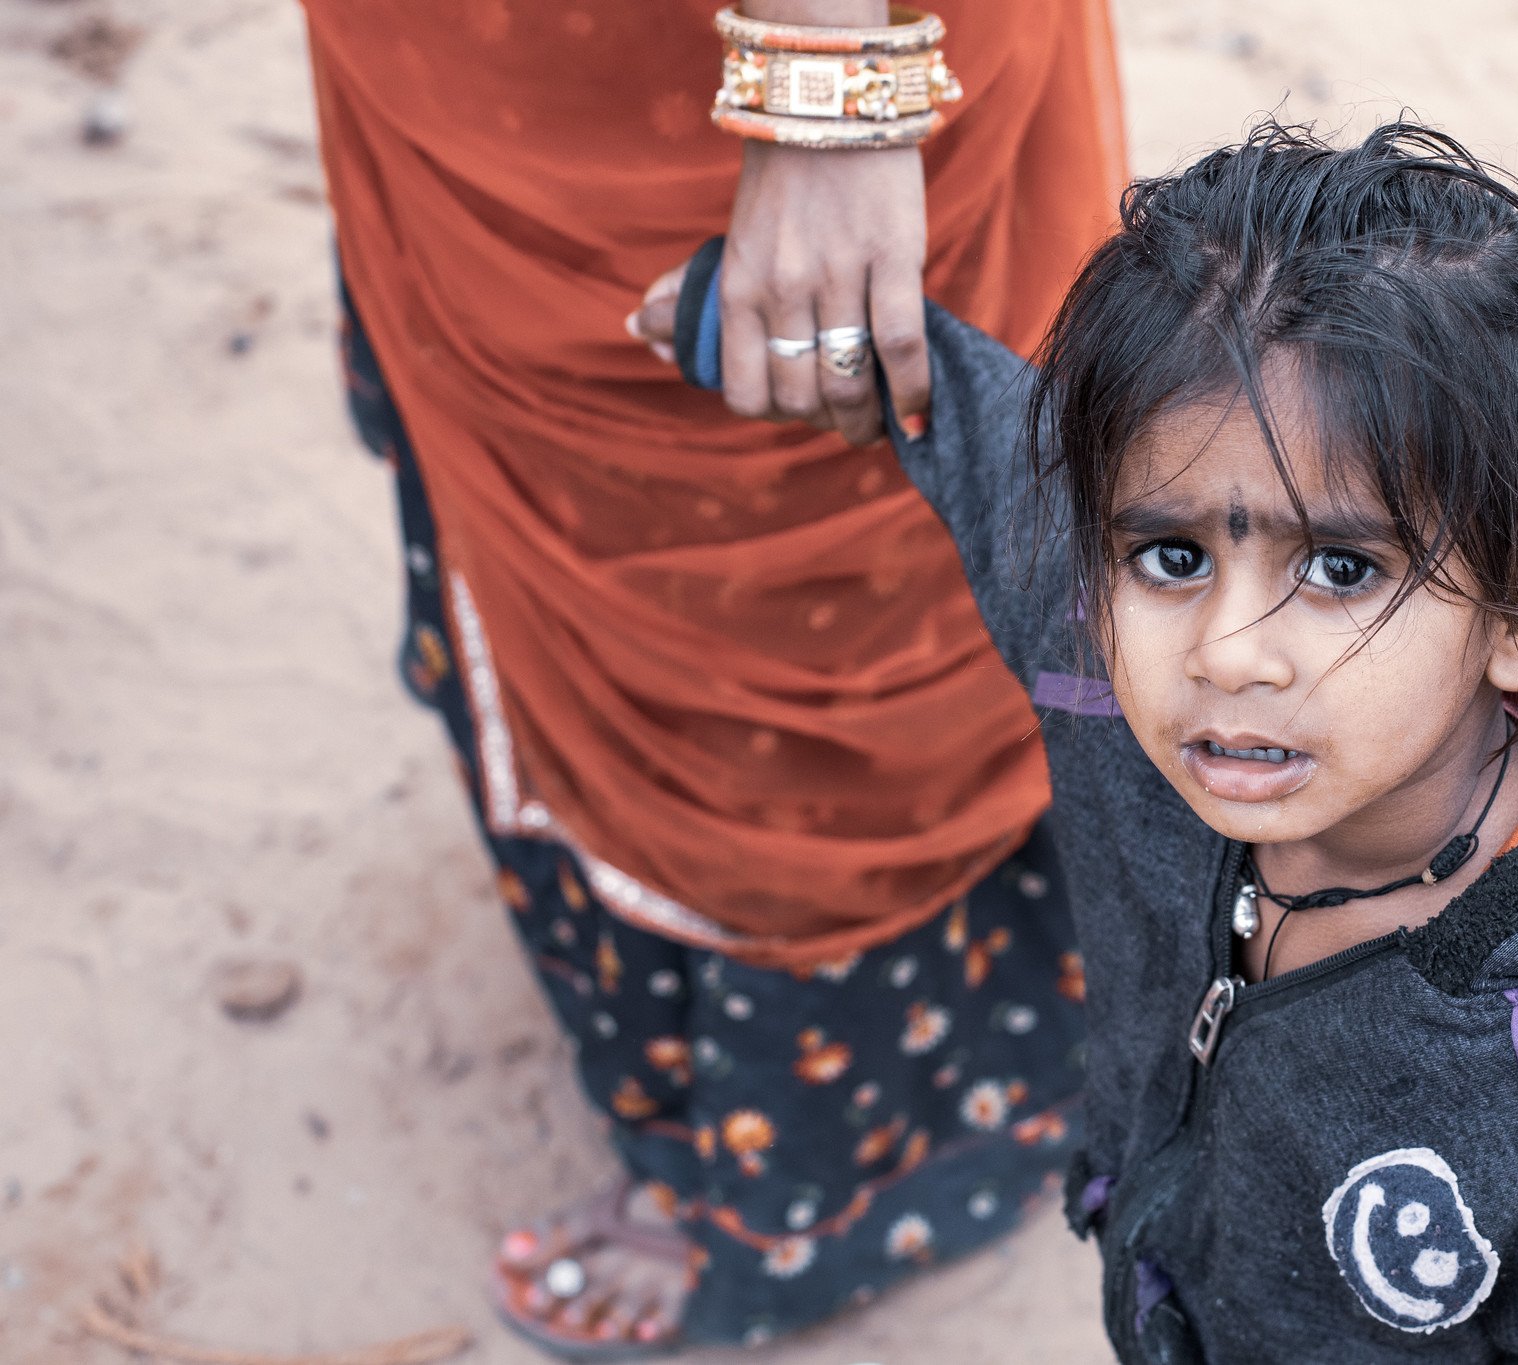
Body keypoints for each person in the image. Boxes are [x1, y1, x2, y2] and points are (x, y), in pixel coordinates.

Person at [662, 118, 1518, 1359]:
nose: (1225, 653)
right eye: (1172, 556)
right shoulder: (1101, 658)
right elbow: (976, 427)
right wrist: (735, 312)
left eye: (1339, 566)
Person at [300, 0, 1124, 1354]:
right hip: (483, 74)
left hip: (728, 83)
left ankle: (811, 1174)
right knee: (592, 526)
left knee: (802, 588)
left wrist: (821, 80)